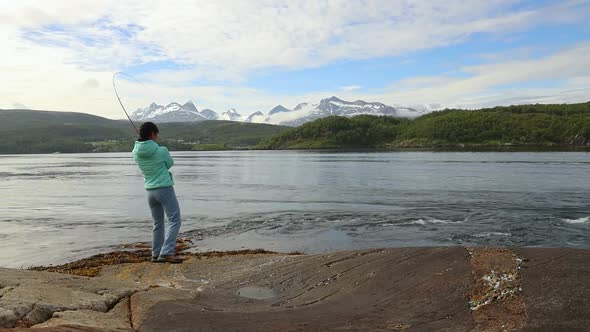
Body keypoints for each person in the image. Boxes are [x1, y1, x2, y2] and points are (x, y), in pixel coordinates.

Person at [132, 122, 182, 264]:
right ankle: (166, 252)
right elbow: (169, 164)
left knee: (158, 223)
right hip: (164, 189)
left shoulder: (135, 152)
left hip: (150, 191)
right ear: (152, 134)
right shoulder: (161, 150)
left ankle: (156, 254)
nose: (157, 137)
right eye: (156, 134)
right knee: (175, 220)